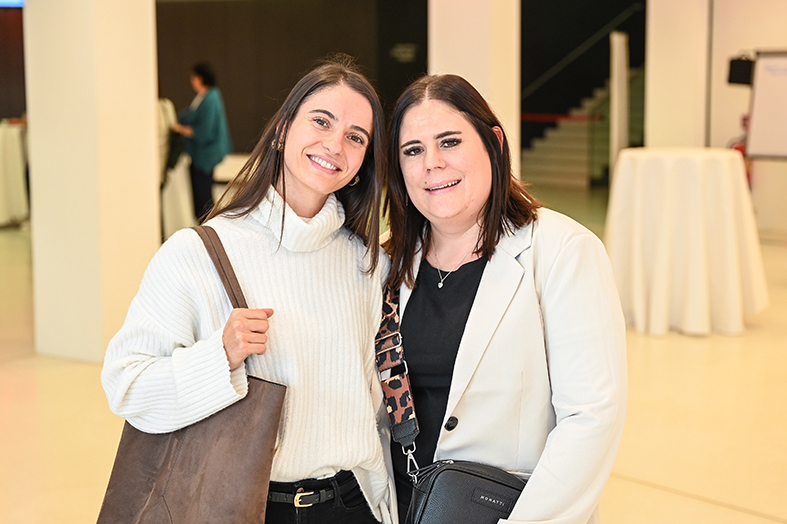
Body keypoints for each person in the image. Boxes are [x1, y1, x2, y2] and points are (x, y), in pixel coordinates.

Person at [102, 56, 396, 524]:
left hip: (351, 506)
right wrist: (218, 356)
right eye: (321, 121)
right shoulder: (198, 252)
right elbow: (126, 385)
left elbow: (376, 406)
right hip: (242, 506)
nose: (335, 144)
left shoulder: (369, 265)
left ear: (361, 163)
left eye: (356, 137)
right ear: (282, 131)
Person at [383, 74, 627, 524]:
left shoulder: (561, 250)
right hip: (400, 509)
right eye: (412, 150)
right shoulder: (387, 262)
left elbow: (592, 418)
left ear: (493, 142)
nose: (432, 164)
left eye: (450, 142)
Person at [172, 62, 233, 220]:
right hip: (202, 154)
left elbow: (206, 130)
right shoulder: (205, 97)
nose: (192, 81)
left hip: (206, 154)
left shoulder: (211, 98)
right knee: (202, 195)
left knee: (203, 197)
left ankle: (207, 230)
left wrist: (181, 129)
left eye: (194, 77)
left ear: (200, 78)